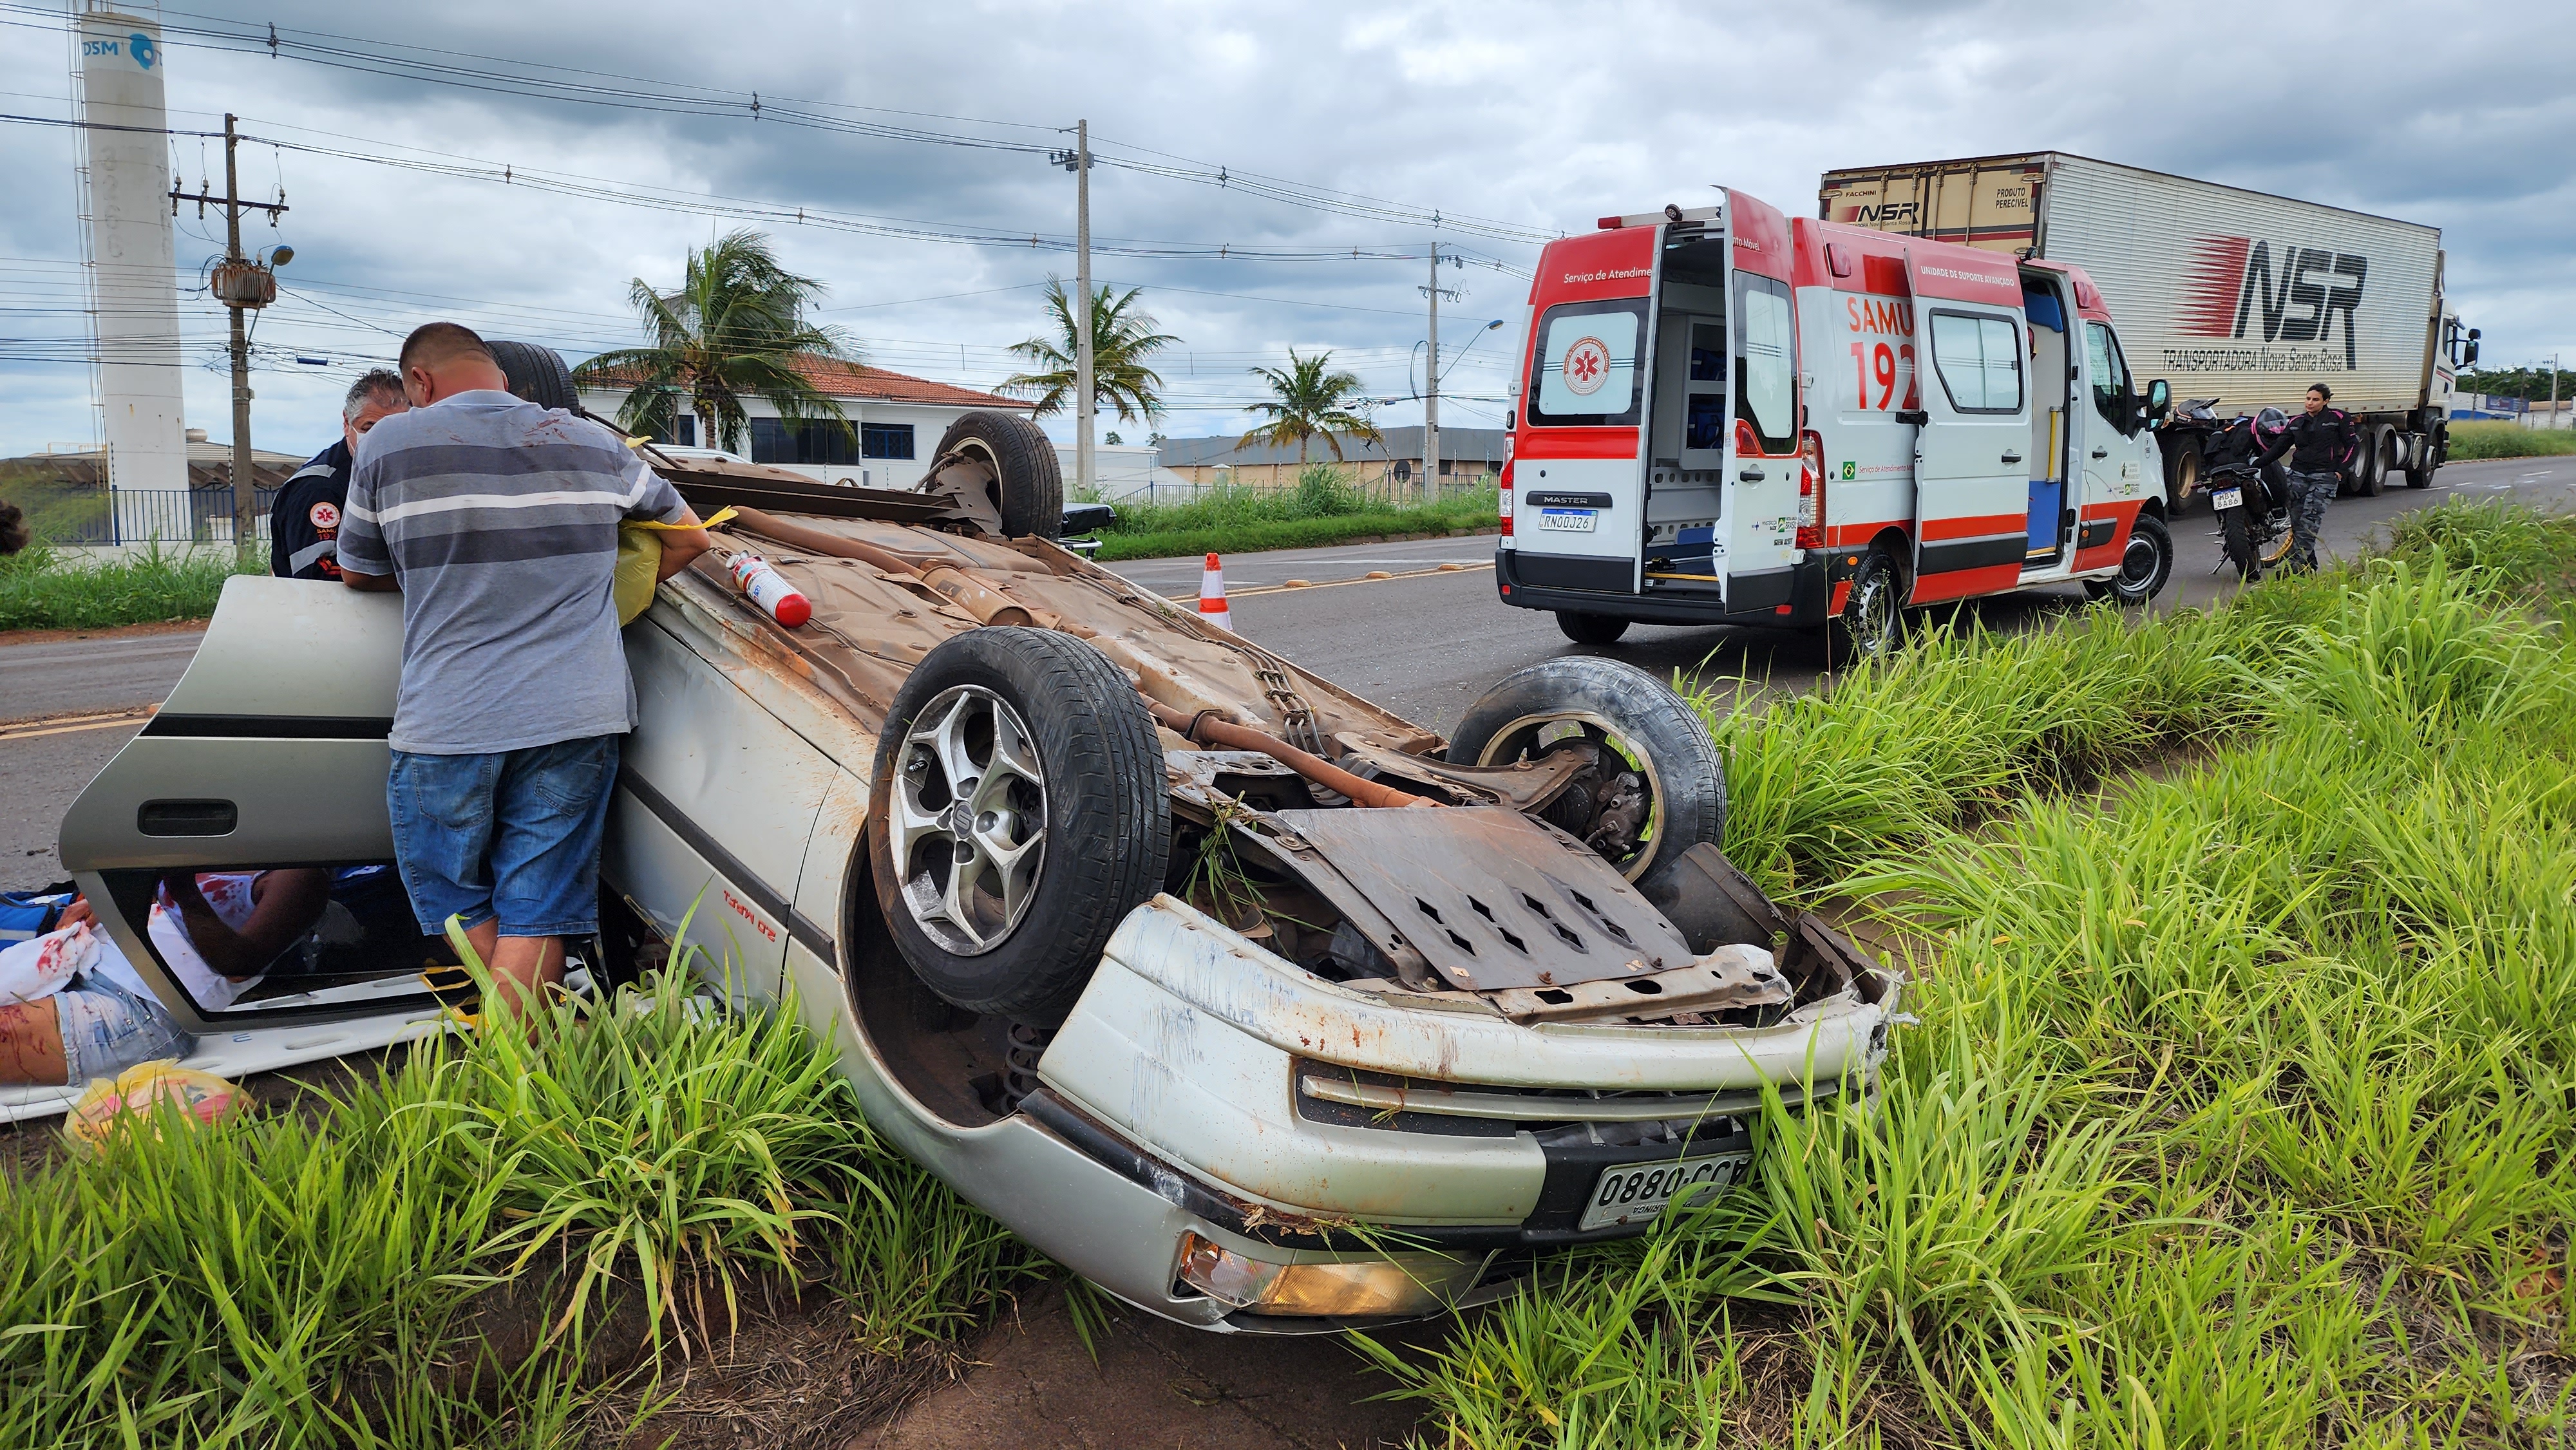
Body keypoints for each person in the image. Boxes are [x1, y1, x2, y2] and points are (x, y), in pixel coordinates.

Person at [337, 323, 710, 1013]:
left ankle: (520, 1060)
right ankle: (530, 1062)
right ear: (499, 380)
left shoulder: (389, 440)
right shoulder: (593, 441)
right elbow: (689, 537)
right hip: (578, 711)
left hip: (450, 716)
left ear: (419, 381)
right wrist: (607, 593)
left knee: (450, 892)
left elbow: (358, 571)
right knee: (538, 905)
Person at [0, 873, 329, 1086]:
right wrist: (94, 901)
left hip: (141, 1009)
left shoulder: (298, 878)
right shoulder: (181, 834)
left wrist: (183, 889)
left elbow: (239, 964)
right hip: (86, 959)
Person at [270, 369, 411, 579]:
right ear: (347, 423)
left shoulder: (401, 476)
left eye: (397, 430)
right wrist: (419, 576)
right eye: (371, 428)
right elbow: (320, 574)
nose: (383, 441)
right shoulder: (318, 489)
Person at [2257, 383, 2360, 574]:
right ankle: (2308, 565)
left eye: (2315, 400)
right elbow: (2278, 449)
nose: (2310, 403)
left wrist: (2341, 470)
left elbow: (2353, 445)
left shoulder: (2339, 418)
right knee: (2297, 522)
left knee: (2309, 521)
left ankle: (2296, 566)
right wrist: (2255, 465)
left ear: (2326, 401)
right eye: (2308, 399)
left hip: (2324, 477)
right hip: (2298, 476)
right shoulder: (2296, 422)